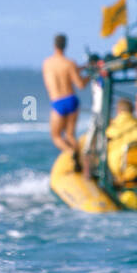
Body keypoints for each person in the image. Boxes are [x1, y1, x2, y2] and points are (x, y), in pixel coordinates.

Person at [42, 33, 89, 171]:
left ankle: (70, 153)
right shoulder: (70, 63)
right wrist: (89, 75)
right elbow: (80, 84)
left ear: (54, 45)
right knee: (70, 135)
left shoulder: (47, 63)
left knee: (56, 136)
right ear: (66, 45)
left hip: (57, 102)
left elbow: (58, 72)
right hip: (71, 99)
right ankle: (80, 163)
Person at [104, 98, 137, 185]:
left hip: (119, 172)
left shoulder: (113, 127)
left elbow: (104, 146)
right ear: (132, 110)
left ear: (118, 111)